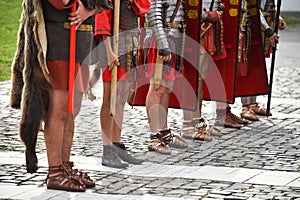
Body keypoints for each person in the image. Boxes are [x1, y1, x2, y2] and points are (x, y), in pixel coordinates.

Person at [10, 0, 111, 192]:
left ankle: (65, 165)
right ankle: (55, 172)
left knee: (72, 107)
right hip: (58, 40)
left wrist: (88, 11)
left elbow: (105, 3)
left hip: (80, 41)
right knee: (60, 106)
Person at [93, 0, 150, 168]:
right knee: (110, 97)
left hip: (129, 45)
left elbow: (144, 6)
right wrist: (109, 52)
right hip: (112, 46)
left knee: (121, 97)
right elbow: (102, 18)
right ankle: (107, 149)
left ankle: (117, 145)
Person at [144, 0, 189, 154]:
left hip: (172, 40)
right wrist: (163, 44)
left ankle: (163, 132)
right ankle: (154, 136)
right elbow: (154, 15)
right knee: (157, 88)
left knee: (166, 89)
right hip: (160, 41)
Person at [181, 0, 226, 140]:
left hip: (207, 30)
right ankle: (188, 123)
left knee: (200, 78)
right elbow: (194, 9)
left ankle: (196, 117)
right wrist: (213, 15)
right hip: (194, 29)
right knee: (192, 78)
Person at [240, 0, 286, 121]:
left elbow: (265, 6)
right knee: (247, 65)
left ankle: (253, 104)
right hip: (249, 26)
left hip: (259, 27)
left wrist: (276, 16)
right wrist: (268, 29)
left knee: (256, 65)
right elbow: (253, 9)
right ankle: (245, 107)